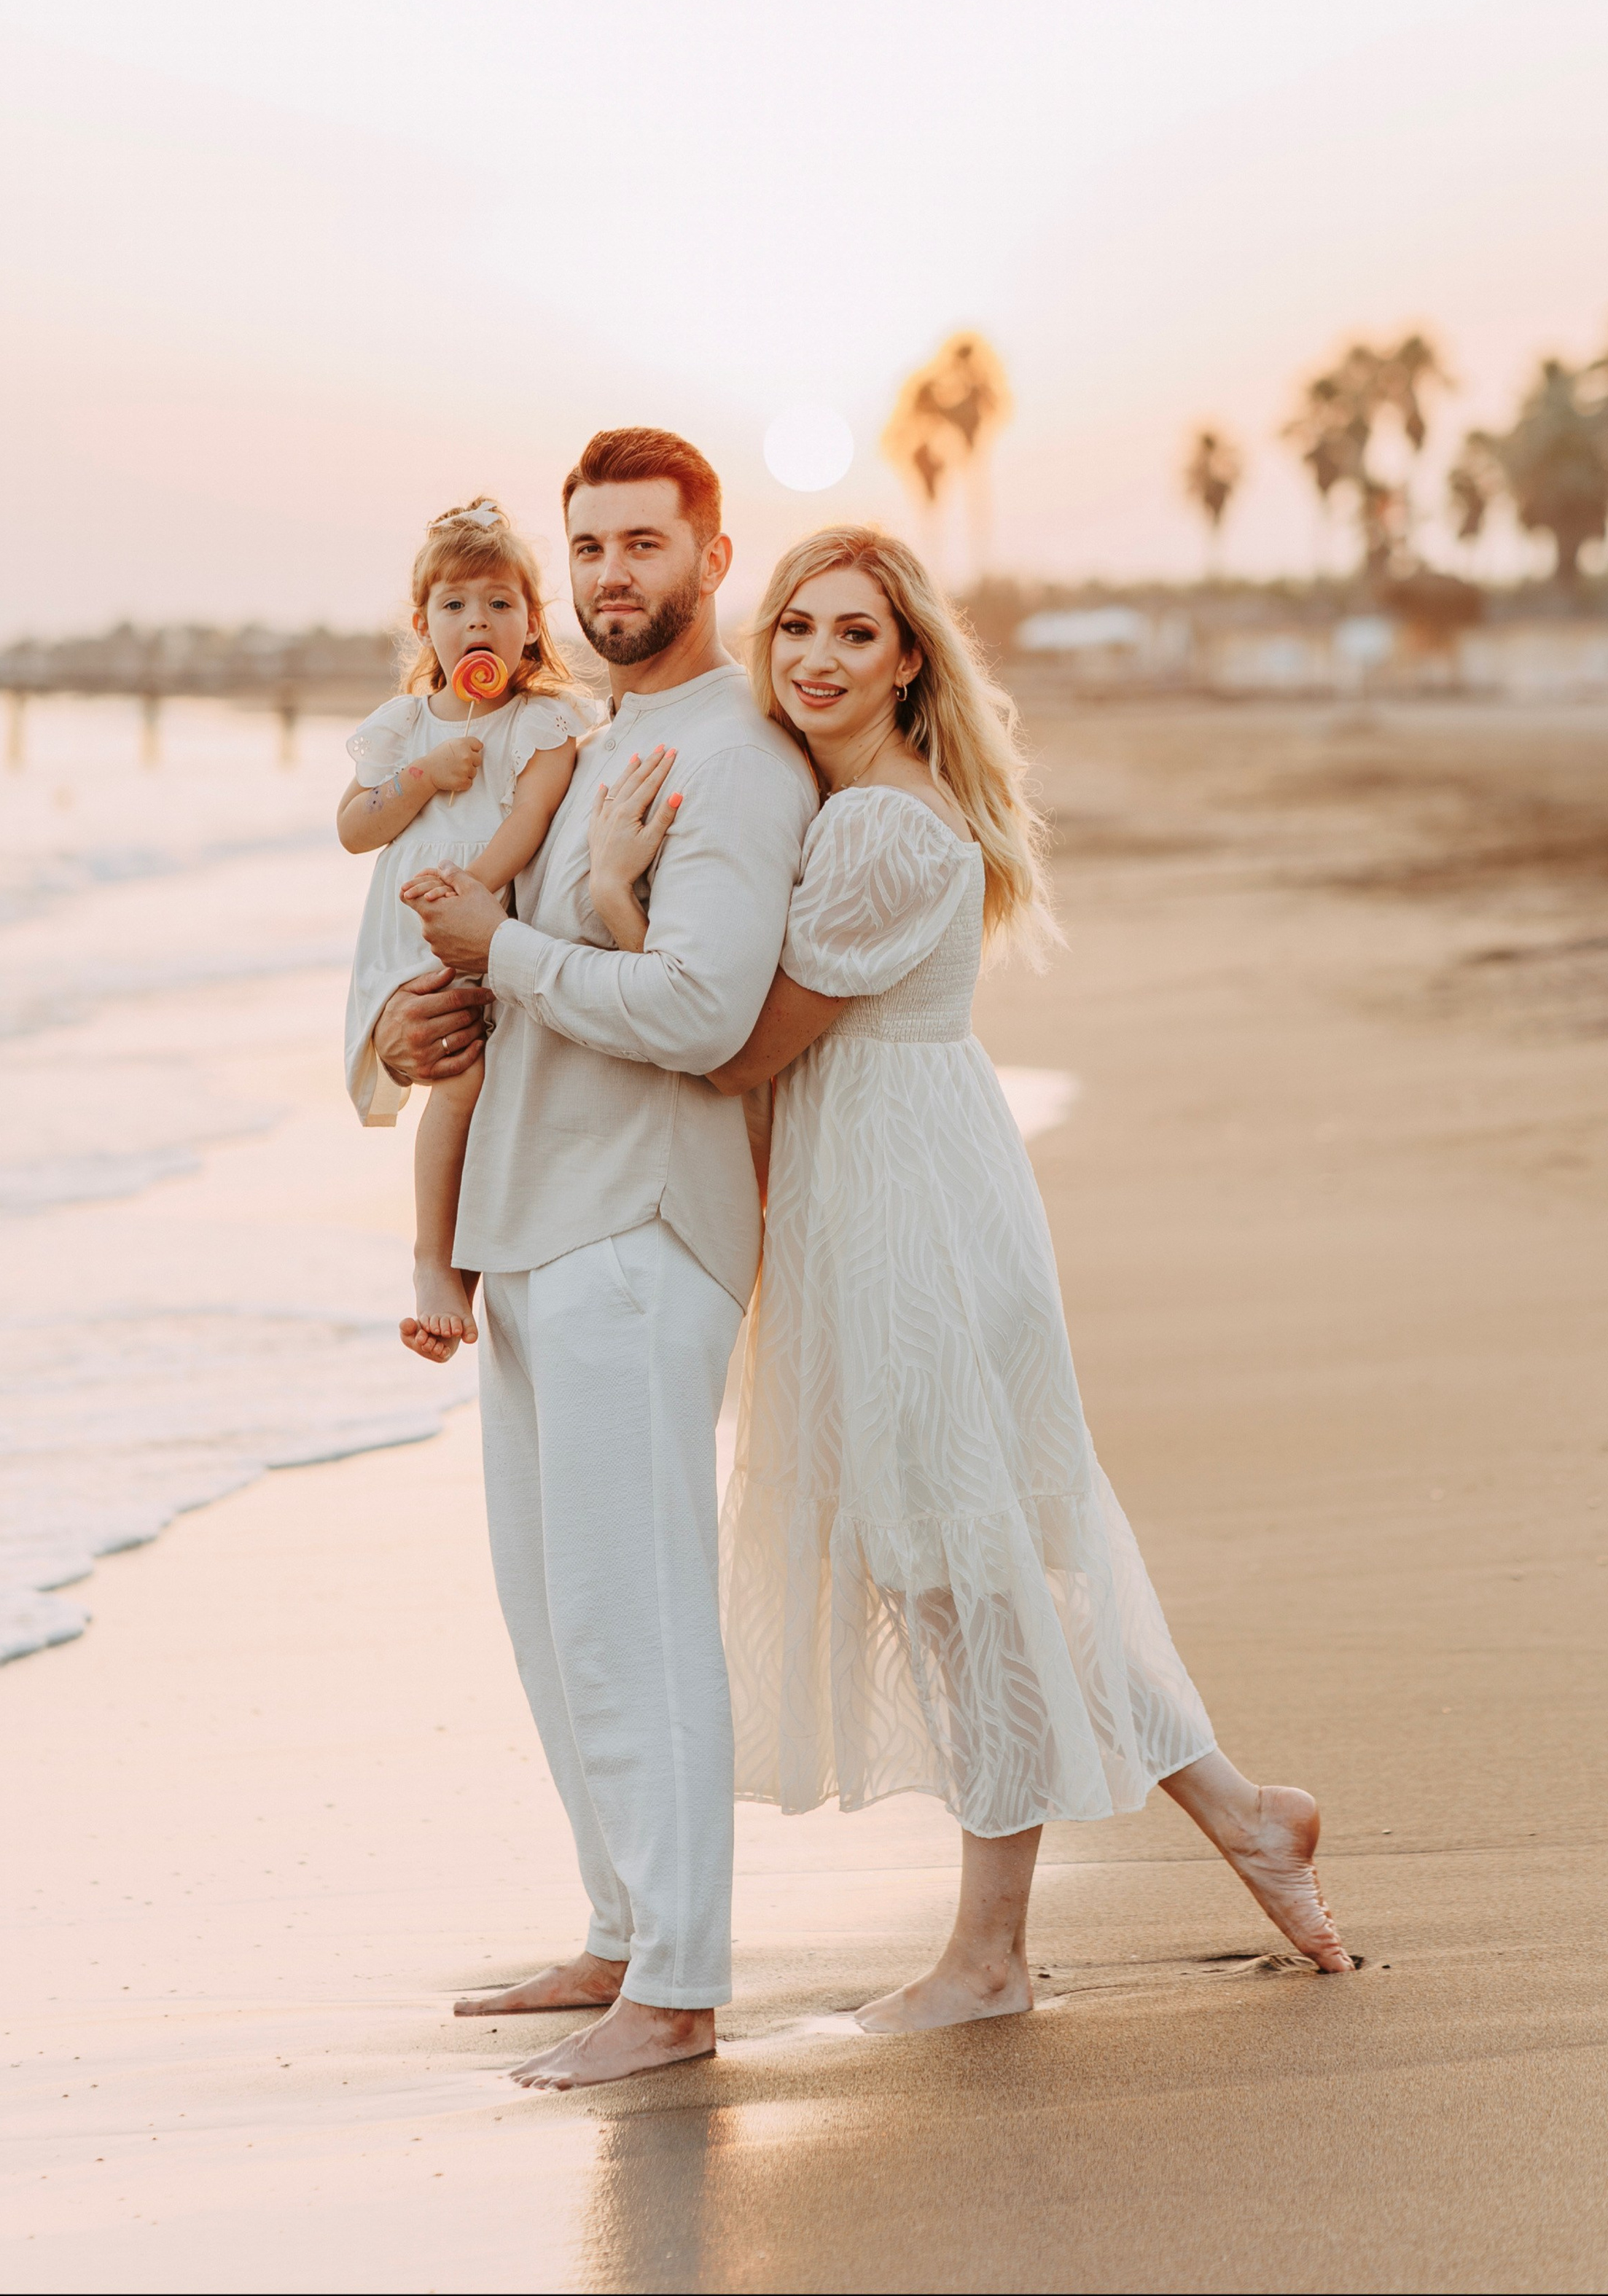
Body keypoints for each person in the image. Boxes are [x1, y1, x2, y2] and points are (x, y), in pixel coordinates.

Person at [679, 523, 1352, 2030]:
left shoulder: (876, 831)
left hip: (904, 1219)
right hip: (906, 1193)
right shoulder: (862, 809)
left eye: (854, 633)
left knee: (961, 1579)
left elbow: (736, 1051)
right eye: (793, 628)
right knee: (978, 1563)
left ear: (910, 656)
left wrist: (594, 909)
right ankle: (1246, 1816)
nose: (813, 658)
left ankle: (989, 1957)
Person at [384, 428, 819, 2090]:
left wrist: (503, 948)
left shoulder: (738, 758)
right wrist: (444, 1002)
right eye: (589, 548)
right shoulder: (588, 740)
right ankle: (621, 1928)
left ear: (714, 557)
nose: (609, 574)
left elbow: (706, 1013)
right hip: (528, 1217)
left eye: (643, 542)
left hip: (638, 1225)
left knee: (634, 1613)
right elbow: (523, 966)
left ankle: (683, 1982)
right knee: (554, 1614)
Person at [337, 499, 585, 1356]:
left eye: (499, 603)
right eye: (454, 605)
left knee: (496, 1091)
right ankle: (434, 1261)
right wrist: (421, 775)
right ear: (423, 625)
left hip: (486, 918)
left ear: (530, 623)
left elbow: (528, 821)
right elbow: (355, 827)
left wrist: (470, 891)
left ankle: (465, 1265)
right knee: (462, 1078)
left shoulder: (543, 723)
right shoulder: (403, 726)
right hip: (408, 939)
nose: (477, 620)